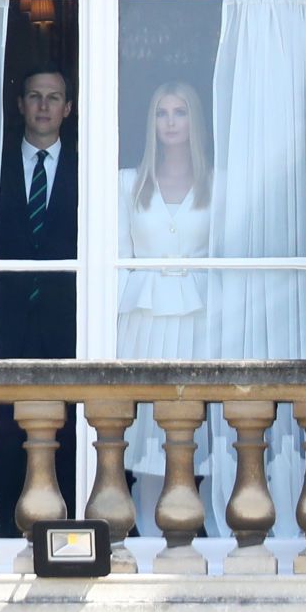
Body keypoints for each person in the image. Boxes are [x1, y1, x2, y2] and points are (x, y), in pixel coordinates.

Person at [117, 81, 213, 536]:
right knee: (144, 430)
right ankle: (145, 535)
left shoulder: (218, 182)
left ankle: (203, 531)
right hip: (144, 320)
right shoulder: (128, 183)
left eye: (180, 112)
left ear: (194, 121)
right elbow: (117, 261)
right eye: (162, 113)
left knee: (197, 425)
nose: (171, 122)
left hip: (199, 319)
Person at [0, 65, 78, 537]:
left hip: (69, 327)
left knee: (67, 432)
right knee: (4, 430)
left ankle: (62, 529)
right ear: (20, 104)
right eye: (35, 96)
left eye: (53, 97)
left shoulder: (89, 170)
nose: (43, 106)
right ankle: (4, 528)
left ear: (68, 108)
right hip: (5, 323)